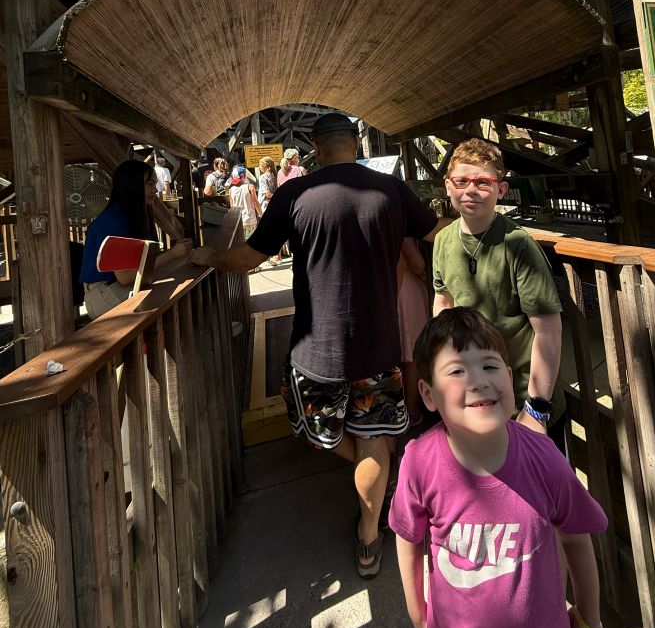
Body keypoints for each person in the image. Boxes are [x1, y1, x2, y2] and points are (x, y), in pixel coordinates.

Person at [190, 112, 451, 578]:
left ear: (315, 145)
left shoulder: (295, 193)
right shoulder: (390, 190)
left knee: (317, 428)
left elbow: (248, 258)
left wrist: (207, 254)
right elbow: (439, 231)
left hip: (317, 350)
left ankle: (381, 480)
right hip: (380, 346)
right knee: (375, 440)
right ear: (355, 142)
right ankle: (369, 537)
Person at [390, 307, 606, 628]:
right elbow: (408, 540)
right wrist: (419, 617)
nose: (478, 380)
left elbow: (577, 538)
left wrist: (588, 622)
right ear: (428, 394)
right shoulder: (419, 463)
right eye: (457, 370)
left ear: (508, 376)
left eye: (490, 366)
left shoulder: (544, 458)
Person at [433, 139, 566, 451]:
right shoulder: (442, 241)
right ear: (448, 186)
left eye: (483, 181)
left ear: (501, 190)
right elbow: (444, 304)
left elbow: (548, 330)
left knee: (543, 494)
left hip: (522, 399)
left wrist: (536, 408)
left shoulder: (517, 244)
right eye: (461, 181)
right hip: (473, 395)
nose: (471, 190)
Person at [80, 159, 192, 319]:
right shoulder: (114, 221)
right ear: (132, 186)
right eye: (150, 184)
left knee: (187, 261)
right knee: (168, 292)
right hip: (103, 294)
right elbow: (125, 277)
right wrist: (172, 255)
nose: (155, 189)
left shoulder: (130, 214)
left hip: (114, 287)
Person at [397, 237, 430, 427]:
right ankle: (411, 410)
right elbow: (416, 263)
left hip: (389, 289)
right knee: (412, 355)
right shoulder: (401, 222)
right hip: (407, 290)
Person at [228, 165, 262, 240]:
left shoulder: (231, 190)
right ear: (243, 176)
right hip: (250, 220)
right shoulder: (250, 187)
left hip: (238, 221)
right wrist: (261, 214)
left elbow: (232, 207)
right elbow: (256, 203)